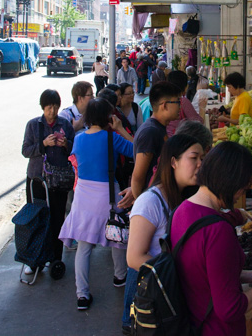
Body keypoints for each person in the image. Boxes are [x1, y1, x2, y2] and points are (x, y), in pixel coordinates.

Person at [172, 142, 252, 335]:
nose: (241, 193)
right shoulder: (218, 231)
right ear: (231, 183)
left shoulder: (182, 211)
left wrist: (251, 275)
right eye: (243, 187)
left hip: (193, 321)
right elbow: (229, 309)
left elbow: (203, 273)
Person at [122, 133, 205, 333]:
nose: (200, 164)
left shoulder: (185, 197)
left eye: (203, 158)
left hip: (171, 297)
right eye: (194, 158)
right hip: (152, 299)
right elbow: (134, 257)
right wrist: (180, 276)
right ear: (174, 162)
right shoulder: (150, 201)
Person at [58, 99, 135, 311]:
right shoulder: (112, 138)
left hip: (82, 196)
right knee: (117, 236)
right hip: (108, 195)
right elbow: (138, 152)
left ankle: (82, 295)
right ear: (108, 117)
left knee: (84, 246)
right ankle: (120, 276)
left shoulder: (79, 139)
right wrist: (120, 129)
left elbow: (75, 164)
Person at [21, 89, 76, 266]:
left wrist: (65, 144)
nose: (52, 111)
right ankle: (34, 260)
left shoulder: (65, 124)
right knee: (37, 218)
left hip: (58, 180)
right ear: (42, 107)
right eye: (48, 107)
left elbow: (74, 149)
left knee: (57, 218)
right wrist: (43, 144)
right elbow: (25, 151)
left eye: (55, 107)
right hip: (37, 180)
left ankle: (56, 259)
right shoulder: (33, 125)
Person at [130, 81, 181, 199]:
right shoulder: (150, 132)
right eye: (177, 102)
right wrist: (142, 207)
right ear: (164, 105)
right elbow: (137, 178)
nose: (180, 106)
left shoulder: (159, 128)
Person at [166, 70, 202, 136]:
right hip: (180, 140)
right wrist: (202, 108)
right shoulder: (182, 101)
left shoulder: (165, 99)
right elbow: (198, 123)